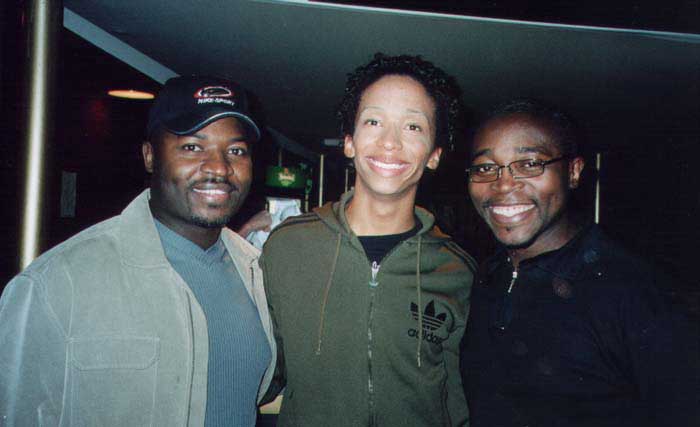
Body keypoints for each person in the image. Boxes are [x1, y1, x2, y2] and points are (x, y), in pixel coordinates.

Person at [0, 76, 277, 426]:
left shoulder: (258, 275)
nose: (219, 167)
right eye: (193, 147)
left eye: (236, 151)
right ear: (150, 156)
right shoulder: (56, 283)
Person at [260, 53, 475, 426]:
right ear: (349, 142)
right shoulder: (286, 248)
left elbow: (457, 399)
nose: (390, 142)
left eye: (413, 127)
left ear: (435, 155)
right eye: (374, 121)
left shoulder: (456, 271)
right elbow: (262, 371)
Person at [461, 99, 700, 427]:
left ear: (573, 172)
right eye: (485, 168)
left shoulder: (632, 292)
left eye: (529, 163)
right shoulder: (485, 278)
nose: (503, 184)